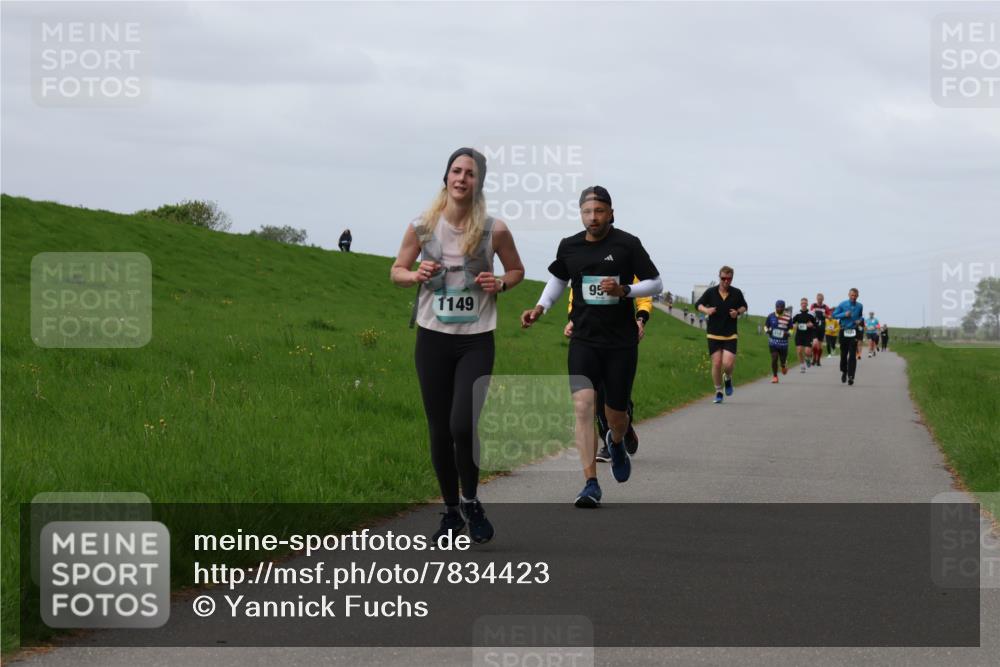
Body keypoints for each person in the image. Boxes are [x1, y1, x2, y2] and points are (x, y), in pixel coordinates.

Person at [391, 148, 525, 544]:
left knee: (461, 423)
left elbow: (517, 270)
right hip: (432, 338)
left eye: (470, 173)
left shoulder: (494, 230)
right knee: (438, 430)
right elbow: (396, 271)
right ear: (446, 177)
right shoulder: (421, 227)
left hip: (476, 340)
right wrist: (415, 275)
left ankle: (471, 500)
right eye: (456, 171)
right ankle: (450, 512)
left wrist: (500, 282)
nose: (462, 178)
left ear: (479, 182)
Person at [522, 186, 661, 507]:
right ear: (580, 213)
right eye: (587, 212)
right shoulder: (569, 246)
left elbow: (656, 282)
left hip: (620, 343)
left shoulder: (628, 244)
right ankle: (590, 484)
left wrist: (625, 289)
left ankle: (615, 442)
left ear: (611, 213)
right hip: (584, 340)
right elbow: (558, 280)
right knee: (583, 407)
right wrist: (540, 308)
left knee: (616, 415)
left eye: (599, 211)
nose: (593, 217)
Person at [565, 279, 650, 461]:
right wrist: (573, 320)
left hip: (619, 340)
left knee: (615, 396)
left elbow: (643, 297)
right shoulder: (583, 264)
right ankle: (608, 442)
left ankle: (623, 425)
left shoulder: (626, 261)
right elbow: (575, 296)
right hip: (589, 338)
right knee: (594, 396)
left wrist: (640, 320)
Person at [695, 266, 748, 404]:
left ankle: (728, 378)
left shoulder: (736, 293)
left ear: (732, 279)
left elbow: (744, 306)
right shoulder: (711, 292)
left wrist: (738, 312)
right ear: (719, 277)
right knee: (717, 363)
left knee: (728, 363)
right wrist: (706, 310)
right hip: (713, 334)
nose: (726, 281)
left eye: (728, 279)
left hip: (730, 334)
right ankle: (718, 391)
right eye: (723, 278)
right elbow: (698, 304)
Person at [830, 288, 864, 385]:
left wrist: (859, 320)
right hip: (843, 331)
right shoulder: (842, 304)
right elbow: (834, 315)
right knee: (843, 354)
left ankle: (851, 376)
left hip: (854, 331)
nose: (853, 297)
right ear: (849, 295)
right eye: (852, 295)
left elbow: (860, 316)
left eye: (855, 295)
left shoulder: (860, 306)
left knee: (852, 354)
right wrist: (844, 314)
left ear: (857, 296)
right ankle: (844, 371)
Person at [764, 300, 793, 382]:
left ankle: (783, 365)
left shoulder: (788, 318)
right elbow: (765, 326)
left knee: (782, 360)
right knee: (774, 358)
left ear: (784, 308)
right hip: (773, 342)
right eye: (777, 307)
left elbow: (791, 329)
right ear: (775, 307)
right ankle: (775, 376)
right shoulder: (771, 316)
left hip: (783, 344)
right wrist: (767, 331)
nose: (779, 308)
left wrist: (788, 334)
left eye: (781, 307)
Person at [790, 298, 818, 372]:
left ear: (807, 304)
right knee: (799, 351)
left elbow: (816, 324)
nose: (804, 305)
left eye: (805, 303)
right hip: (799, 335)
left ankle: (808, 358)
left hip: (808, 335)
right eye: (802, 303)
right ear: (800, 304)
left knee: (807, 352)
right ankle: (802, 366)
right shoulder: (796, 313)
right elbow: (791, 323)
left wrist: (812, 324)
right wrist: (794, 325)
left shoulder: (812, 313)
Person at [810, 293, 831, 367]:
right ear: (816, 299)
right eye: (818, 299)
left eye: (821, 299)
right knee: (814, 343)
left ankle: (818, 360)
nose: (819, 300)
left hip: (822, 327)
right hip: (814, 326)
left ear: (823, 299)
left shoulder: (826, 307)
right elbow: (810, 314)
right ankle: (813, 358)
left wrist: (827, 316)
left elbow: (830, 317)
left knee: (819, 345)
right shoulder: (813, 305)